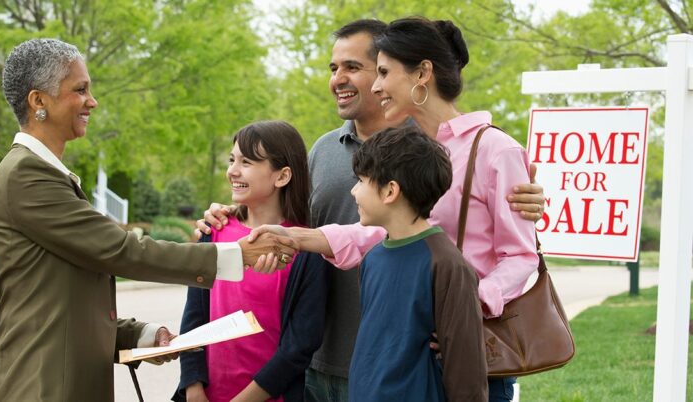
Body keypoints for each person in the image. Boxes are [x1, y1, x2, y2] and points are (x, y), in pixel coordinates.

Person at [198, 19, 545, 402]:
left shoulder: (497, 151)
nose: (376, 86)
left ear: (422, 73)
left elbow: (521, 255)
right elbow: (381, 233)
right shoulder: (401, 150)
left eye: (382, 72)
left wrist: (462, 312)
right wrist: (266, 225)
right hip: (395, 357)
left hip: (464, 356)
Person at [0, 38, 296, 402]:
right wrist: (236, 254)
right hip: (37, 387)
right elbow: (121, 250)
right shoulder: (27, 175)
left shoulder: (43, 173)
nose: (92, 101)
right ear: (39, 101)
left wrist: (141, 335)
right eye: (80, 90)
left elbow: (60, 305)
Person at [172, 121, 330, 402]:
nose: (233, 171)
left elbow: (300, 346)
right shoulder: (213, 233)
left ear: (281, 176)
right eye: (232, 160)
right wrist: (193, 388)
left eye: (247, 162)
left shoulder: (305, 249)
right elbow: (193, 319)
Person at [348, 125, 487, 401]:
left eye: (361, 181)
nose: (354, 191)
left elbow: (466, 370)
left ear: (390, 191)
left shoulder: (448, 265)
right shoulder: (372, 258)